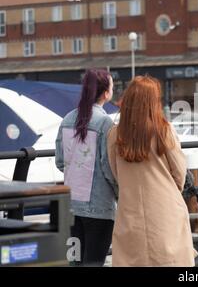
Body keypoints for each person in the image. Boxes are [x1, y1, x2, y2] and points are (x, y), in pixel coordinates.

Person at [107, 75, 197, 266]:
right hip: (165, 209)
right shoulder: (164, 130)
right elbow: (179, 172)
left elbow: (115, 173)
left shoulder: (115, 134)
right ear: (153, 102)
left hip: (130, 211)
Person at [55, 69, 118, 266]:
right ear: (106, 93)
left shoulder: (67, 119)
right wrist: (120, 193)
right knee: (94, 262)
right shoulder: (105, 123)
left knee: (75, 262)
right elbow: (108, 168)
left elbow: (60, 161)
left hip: (72, 206)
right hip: (99, 208)